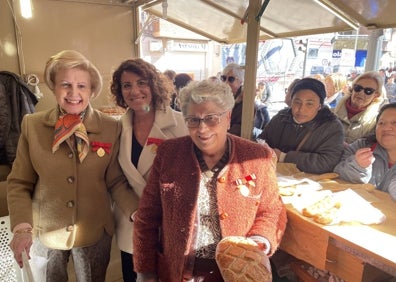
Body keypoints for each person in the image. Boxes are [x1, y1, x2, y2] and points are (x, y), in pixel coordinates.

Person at [133, 79, 287, 281]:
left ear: (228, 118)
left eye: (211, 119)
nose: (202, 129)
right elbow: (146, 216)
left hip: (234, 274)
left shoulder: (257, 156)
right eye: (193, 120)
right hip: (179, 271)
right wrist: (144, 271)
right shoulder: (169, 153)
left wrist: (258, 241)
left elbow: (272, 210)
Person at [7, 50, 139, 281]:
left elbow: (115, 180)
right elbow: (19, 182)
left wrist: (137, 212)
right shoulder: (33, 125)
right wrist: (21, 228)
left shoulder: (110, 127)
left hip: (95, 229)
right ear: (54, 87)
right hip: (45, 230)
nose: (74, 93)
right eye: (65, 84)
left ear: (92, 90)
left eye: (82, 86)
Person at [109, 58, 188, 281]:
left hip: (171, 225)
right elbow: (116, 180)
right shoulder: (117, 128)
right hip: (132, 224)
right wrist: (136, 211)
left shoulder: (181, 125)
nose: (134, 91)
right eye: (127, 85)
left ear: (153, 85)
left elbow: (194, 175)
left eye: (141, 82)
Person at [258, 77, 344, 174]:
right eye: (297, 102)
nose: (301, 109)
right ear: (291, 101)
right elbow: (262, 140)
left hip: (311, 184)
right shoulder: (281, 117)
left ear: (319, 106)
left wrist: (284, 157)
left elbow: (327, 162)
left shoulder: (332, 127)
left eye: (309, 104)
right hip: (274, 176)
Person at [334, 103, 396, 201]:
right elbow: (337, 173)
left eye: (395, 122)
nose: (386, 127)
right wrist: (358, 167)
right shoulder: (362, 146)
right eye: (381, 123)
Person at [333, 71, 388, 144]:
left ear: (376, 95)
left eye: (368, 91)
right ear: (352, 89)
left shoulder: (376, 122)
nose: (361, 93)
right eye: (358, 88)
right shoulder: (331, 113)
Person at [220, 63, 244, 136]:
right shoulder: (219, 97)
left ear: (240, 82)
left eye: (231, 79)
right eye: (223, 78)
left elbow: (237, 130)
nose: (226, 83)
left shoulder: (245, 102)